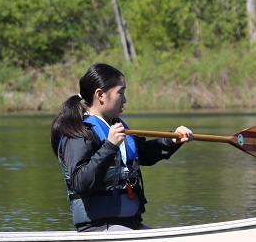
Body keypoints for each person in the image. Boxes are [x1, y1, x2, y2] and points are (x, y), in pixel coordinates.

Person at [50, 63, 193, 231]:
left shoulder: (116, 126)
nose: (124, 100)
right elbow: (80, 182)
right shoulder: (78, 133)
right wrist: (109, 146)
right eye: (121, 93)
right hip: (98, 228)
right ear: (100, 95)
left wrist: (172, 141)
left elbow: (143, 153)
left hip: (129, 224)